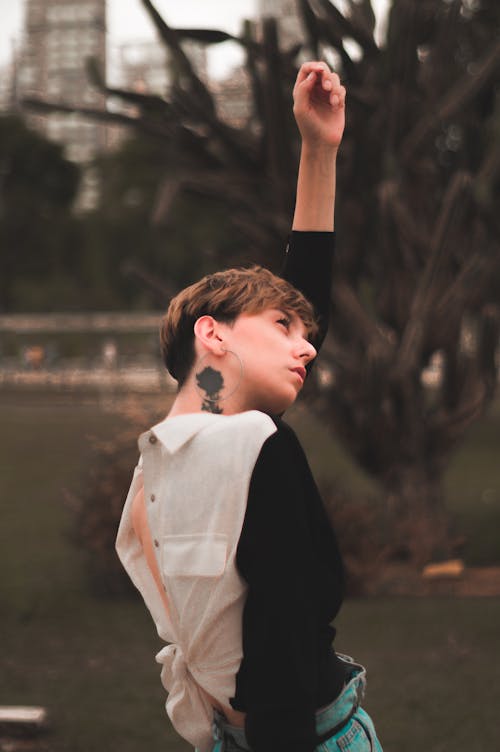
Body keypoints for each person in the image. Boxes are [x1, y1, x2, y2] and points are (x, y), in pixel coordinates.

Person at [116, 62, 383, 752]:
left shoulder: (150, 479)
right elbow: (281, 651)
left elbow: (301, 311)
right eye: (282, 328)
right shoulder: (254, 448)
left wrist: (318, 150)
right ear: (213, 335)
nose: (310, 348)